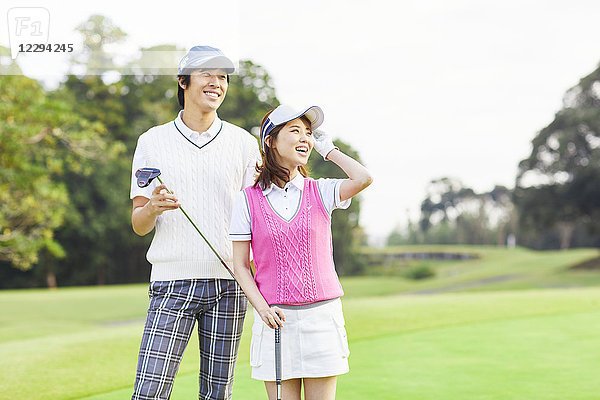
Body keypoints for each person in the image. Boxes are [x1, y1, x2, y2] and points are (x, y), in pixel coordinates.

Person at [129, 45, 260, 400]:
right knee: (149, 392)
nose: (216, 83)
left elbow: (259, 219)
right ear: (183, 81)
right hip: (171, 284)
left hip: (230, 285)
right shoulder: (152, 142)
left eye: (223, 77)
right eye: (207, 74)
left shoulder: (244, 144)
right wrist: (153, 207)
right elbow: (139, 223)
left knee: (217, 395)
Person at [229, 105, 373, 400]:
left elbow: (363, 178)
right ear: (270, 140)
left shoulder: (320, 191)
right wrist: (262, 308)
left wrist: (328, 149)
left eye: (308, 132)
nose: (305, 138)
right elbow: (240, 265)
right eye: (295, 130)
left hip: (321, 319)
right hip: (275, 321)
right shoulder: (247, 201)